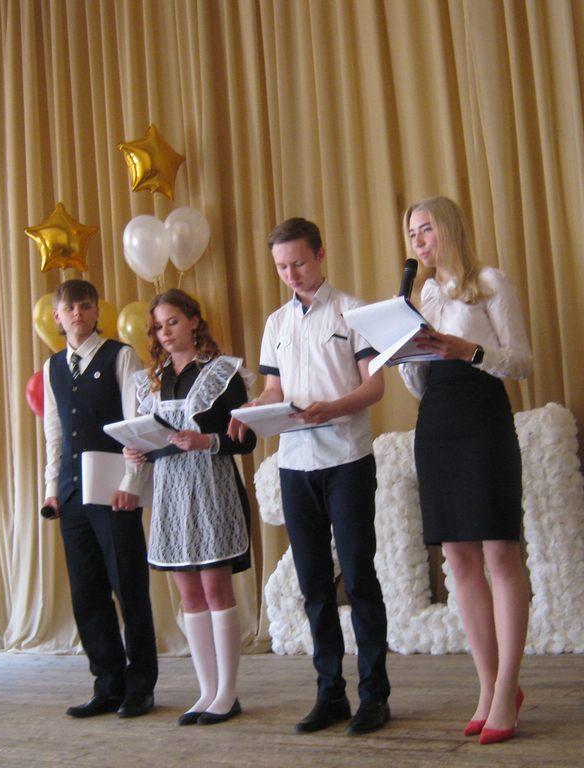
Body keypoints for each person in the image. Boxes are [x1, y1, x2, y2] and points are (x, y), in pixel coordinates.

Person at [228, 217, 391, 735]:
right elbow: (275, 392)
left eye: (298, 262)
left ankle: (375, 695)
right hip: (295, 465)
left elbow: (374, 388)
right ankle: (330, 693)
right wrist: (253, 407)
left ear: (320, 254)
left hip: (346, 459)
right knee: (314, 584)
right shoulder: (276, 323)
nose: (291, 273)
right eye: (281, 267)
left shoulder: (353, 311)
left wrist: (331, 408)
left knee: (359, 578)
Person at [399, 196, 532, 745]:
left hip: (482, 417)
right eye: (411, 234)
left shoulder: (490, 282)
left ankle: (508, 687)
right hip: (437, 421)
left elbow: (521, 361)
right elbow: (419, 384)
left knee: (500, 551)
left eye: (426, 229)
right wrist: (406, 354)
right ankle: (487, 684)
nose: (418, 241)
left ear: (450, 228)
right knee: (458, 556)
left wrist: (467, 350)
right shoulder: (423, 297)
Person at [123, 289, 256, 726]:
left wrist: (207, 440)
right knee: (189, 594)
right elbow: (155, 440)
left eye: (173, 322)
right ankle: (205, 690)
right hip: (171, 493)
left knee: (216, 589)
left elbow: (248, 438)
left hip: (212, 487)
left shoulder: (223, 372)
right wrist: (137, 450)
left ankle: (227, 693)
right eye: (158, 326)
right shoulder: (152, 380)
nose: (165, 333)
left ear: (194, 321)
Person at [41, 279, 158, 719]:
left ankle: (140, 686)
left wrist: (133, 483)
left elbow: (136, 425)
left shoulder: (120, 356)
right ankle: (107, 684)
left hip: (114, 491)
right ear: (58, 316)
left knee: (129, 588)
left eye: (86, 306)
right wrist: (51, 490)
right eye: (70, 307)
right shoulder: (52, 367)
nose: (78, 313)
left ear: (96, 312)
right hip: (72, 495)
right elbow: (54, 433)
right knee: (87, 593)